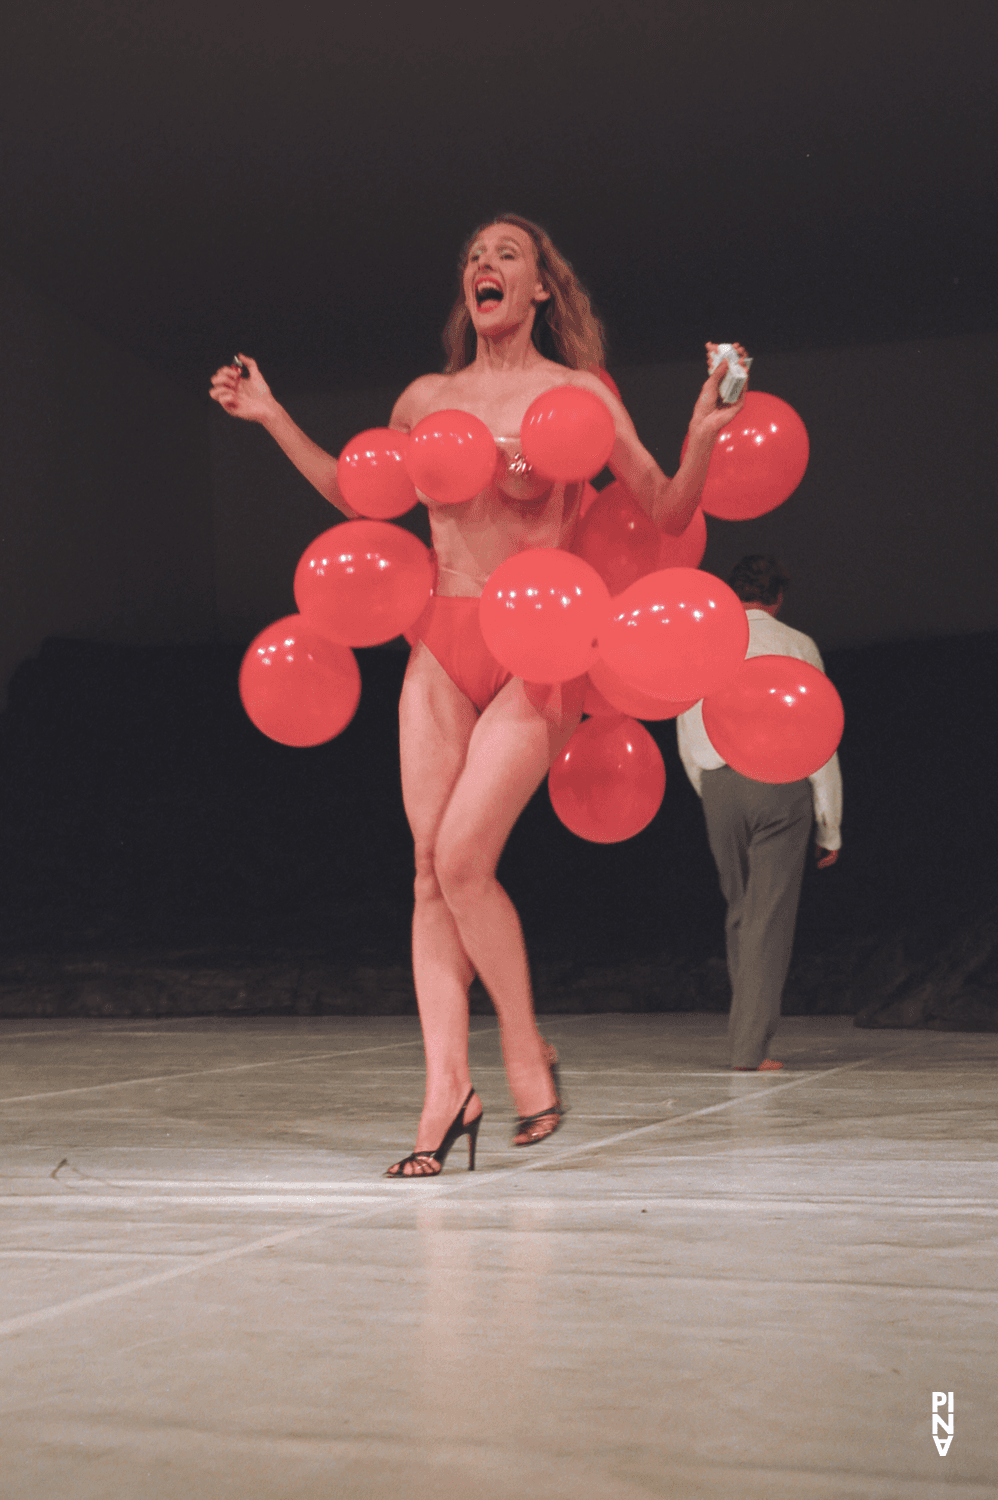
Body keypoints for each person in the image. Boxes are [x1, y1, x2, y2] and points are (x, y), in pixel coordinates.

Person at [210, 213, 748, 1173]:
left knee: (463, 860)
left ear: (541, 288)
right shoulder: (428, 398)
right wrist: (272, 415)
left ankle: (525, 1050)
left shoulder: (577, 392)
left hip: (539, 646)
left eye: (506, 254)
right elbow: (358, 492)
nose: (483, 265)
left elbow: (666, 508)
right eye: (473, 256)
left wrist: (704, 430)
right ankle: (446, 1095)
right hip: (440, 643)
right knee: (427, 873)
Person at [676, 555, 843, 1072]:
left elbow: (687, 724)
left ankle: (745, 1038)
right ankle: (749, 1049)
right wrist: (830, 824)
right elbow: (818, 733)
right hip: (777, 785)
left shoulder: (705, 644)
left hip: (718, 785)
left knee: (742, 911)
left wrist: (709, 787)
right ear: (778, 597)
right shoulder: (797, 645)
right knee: (768, 919)